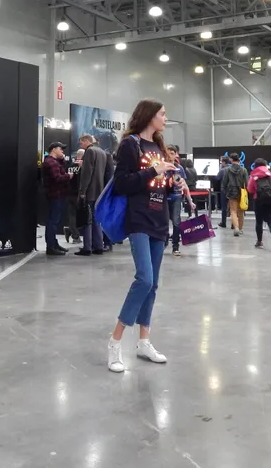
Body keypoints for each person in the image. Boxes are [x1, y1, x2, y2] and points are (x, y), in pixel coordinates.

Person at [106, 99, 177, 373]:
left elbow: (160, 186)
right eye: (162, 114)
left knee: (153, 284)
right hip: (138, 218)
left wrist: (172, 182)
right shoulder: (130, 144)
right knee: (144, 279)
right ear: (149, 116)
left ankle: (144, 341)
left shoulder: (159, 146)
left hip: (159, 219)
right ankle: (115, 342)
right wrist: (153, 170)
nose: (165, 118)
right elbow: (122, 183)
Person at [76, 134, 108, 256]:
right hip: (99, 191)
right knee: (96, 219)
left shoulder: (89, 152)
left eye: (81, 143)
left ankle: (87, 247)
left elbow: (87, 173)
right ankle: (98, 245)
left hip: (90, 191)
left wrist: (82, 191)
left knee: (87, 220)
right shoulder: (102, 152)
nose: (81, 145)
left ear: (86, 141)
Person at [41, 142, 70, 257]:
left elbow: (61, 169)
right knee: (52, 221)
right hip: (55, 195)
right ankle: (51, 246)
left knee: (54, 221)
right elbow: (57, 178)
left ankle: (53, 244)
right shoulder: (51, 162)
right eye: (60, 149)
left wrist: (62, 160)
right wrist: (69, 176)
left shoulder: (53, 161)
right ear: (54, 149)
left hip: (57, 195)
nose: (62, 151)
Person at [167, 148, 196, 257]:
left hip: (177, 197)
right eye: (168, 153)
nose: (169, 155)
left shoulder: (179, 168)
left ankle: (175, 247)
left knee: (176, 222)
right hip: (163, 198)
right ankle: (163, 241)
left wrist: (190, 201)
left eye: (172, 153)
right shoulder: (162, 167)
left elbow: (184, 185)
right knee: (163, 222)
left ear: (176, 155)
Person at [248, 159, 271, 251]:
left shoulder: (253, 176)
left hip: (258, 200)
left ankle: (259, 242)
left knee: (259, 222)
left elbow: (250, 189)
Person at [222, 153, 249, 237]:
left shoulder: (227, 170)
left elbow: (224, 182)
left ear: (231, 160)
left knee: (233, 211)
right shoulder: (244, 170)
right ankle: (240, 229)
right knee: (241, 212)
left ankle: (236, 227)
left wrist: (225, 191)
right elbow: (247, 183)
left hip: (231, 192)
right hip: (241, 192)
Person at [214, 156, 230, 228]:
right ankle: (234, 224)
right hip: (232, 190)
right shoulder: (231, 169)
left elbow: (217, 178)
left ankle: (223, 222)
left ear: (223, 162)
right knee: (233, 208)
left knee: (224, 207)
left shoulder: (222, 170)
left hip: (224, 190)